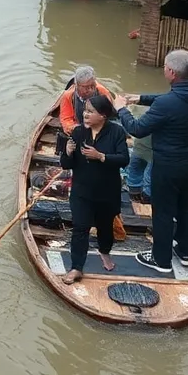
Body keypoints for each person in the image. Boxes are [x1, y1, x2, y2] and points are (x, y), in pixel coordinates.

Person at [114, 49, 188, 274]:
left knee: (163, 211)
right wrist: (140, 97)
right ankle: (185, 253)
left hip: (169, 167)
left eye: (164, 68)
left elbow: (137, 129)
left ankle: (161, 260)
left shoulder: (166, 105)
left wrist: (121, 108)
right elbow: (173, 98)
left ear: (171, 72)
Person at [59, 93, 130, 285]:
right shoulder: (78, 133)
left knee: (105, 227)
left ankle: (104, 252)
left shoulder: (116, 132)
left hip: (107, 192)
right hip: (82, 192)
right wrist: (68, 153)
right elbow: (66, 165)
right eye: (85, 111)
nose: (85, 114)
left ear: (103, 115)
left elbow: (124, 159)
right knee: (80, 228)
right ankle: (76, 267)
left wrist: (101, 156)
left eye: (91, 112)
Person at [125, 128, 153, 204]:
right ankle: (144, 201)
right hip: (146, 149)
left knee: (137, 176)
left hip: (141, 148)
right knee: (149, 179)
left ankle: (140, 200)